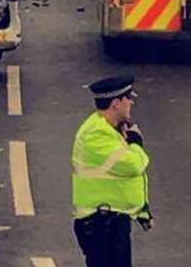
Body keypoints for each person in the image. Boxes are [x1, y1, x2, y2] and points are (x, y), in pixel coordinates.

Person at [72, 75, 152, 267]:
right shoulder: (96, 134)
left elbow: (122, 178)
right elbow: (133, 166)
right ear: (116, 103)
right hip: (100, 223)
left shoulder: (112, 129)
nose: (131, 102)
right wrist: (136, 144)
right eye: (128, 98)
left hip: (112, 219)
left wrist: (142, 211)